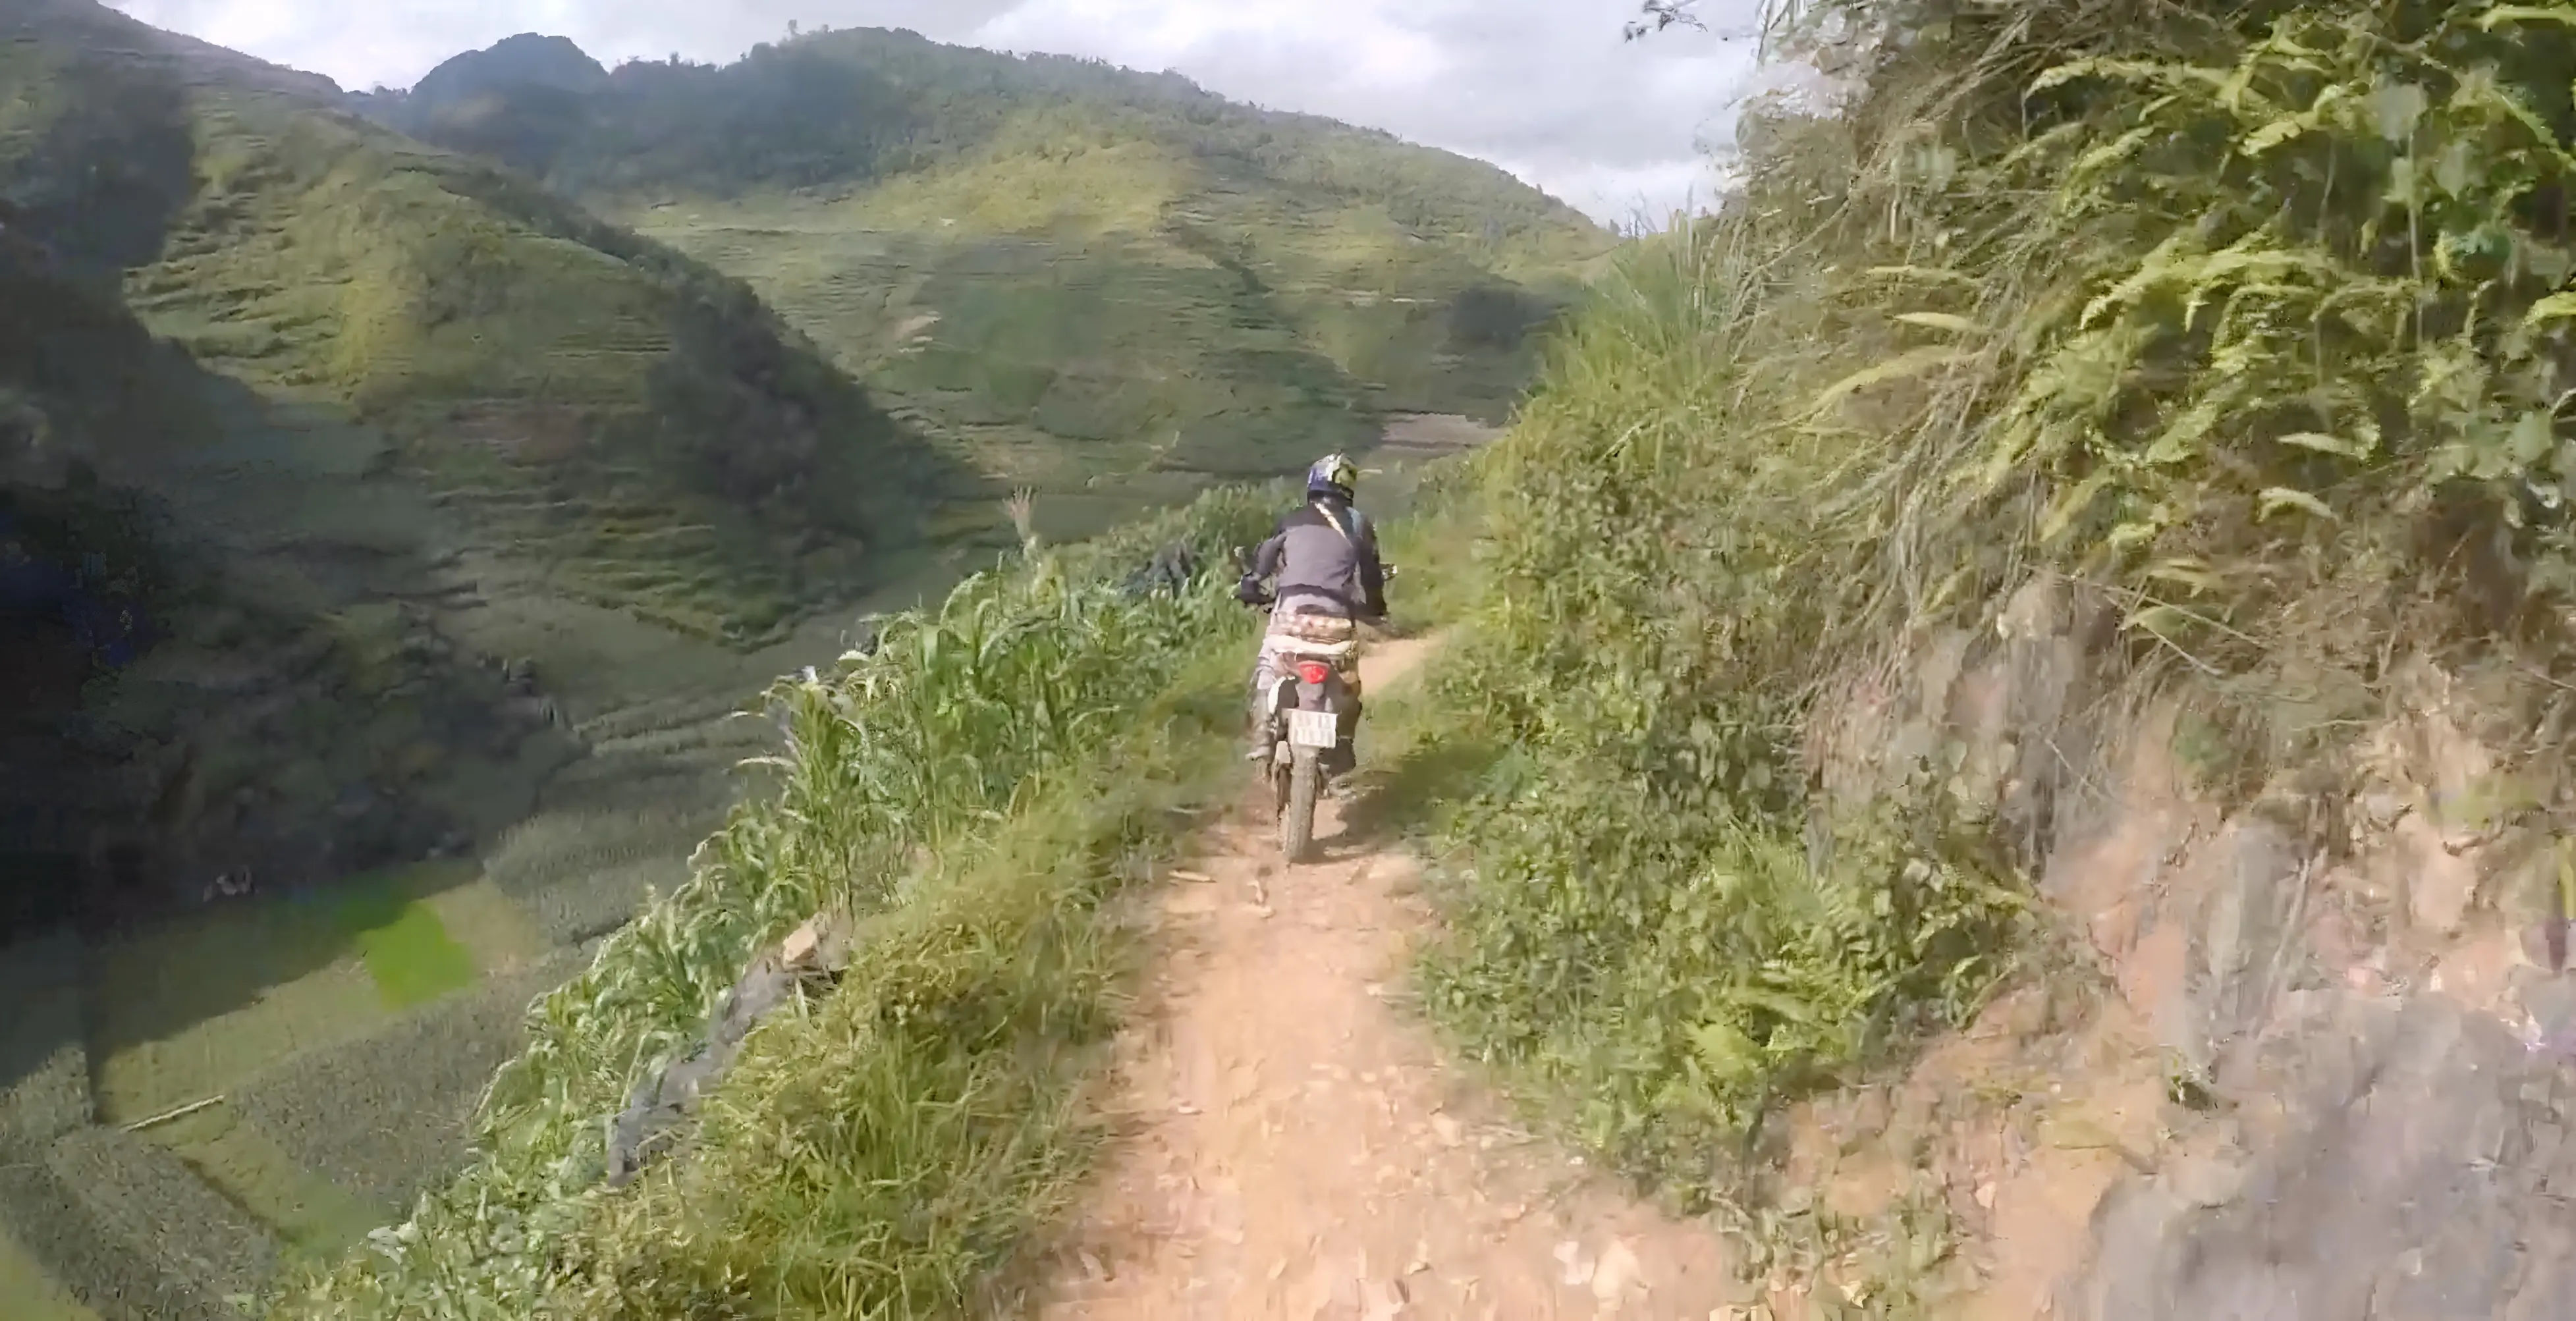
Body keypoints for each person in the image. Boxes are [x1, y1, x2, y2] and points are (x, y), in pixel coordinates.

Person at [1235, 452, 1388, 776]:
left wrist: (1251, 584)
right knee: (1348, 682)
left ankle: (1262, 737)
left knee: (1268, 667)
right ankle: (1342, 743)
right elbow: (1371, 575)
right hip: (1336, 624)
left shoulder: (1292, 520)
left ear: (1314, 482)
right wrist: (1376, 607)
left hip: (1290, 617)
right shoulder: (1359, 524)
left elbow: (1265, 561)